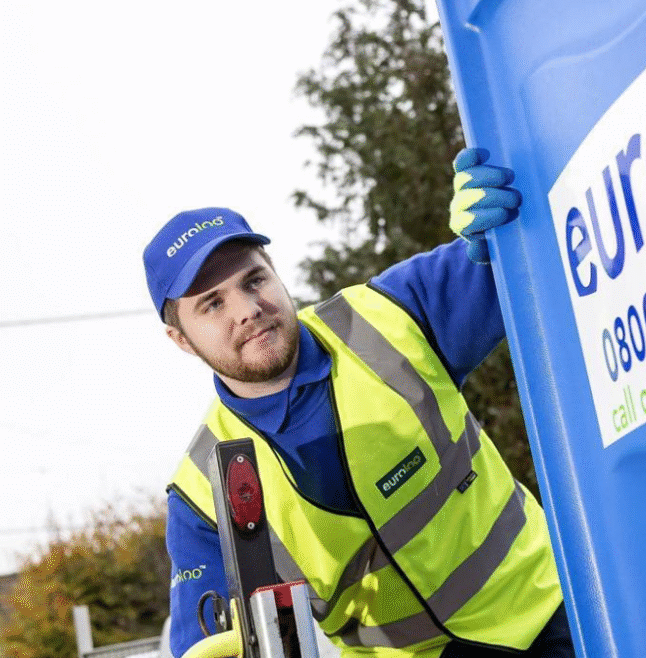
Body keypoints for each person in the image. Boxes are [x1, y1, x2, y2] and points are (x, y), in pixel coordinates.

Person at [144, 150, 574, 658]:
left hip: (552, 614)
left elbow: (528, 257)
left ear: (276, 273)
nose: (248, 310)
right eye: (213, 304)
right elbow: (205, 639)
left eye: (254, 280)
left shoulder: (391, 316)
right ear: (182, 339)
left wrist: (504, 225)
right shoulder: (200, 494)